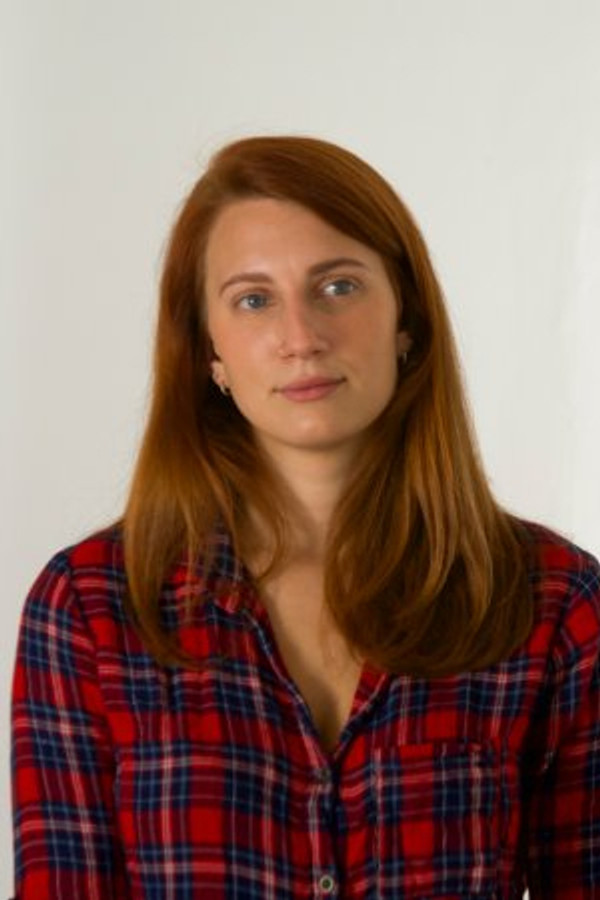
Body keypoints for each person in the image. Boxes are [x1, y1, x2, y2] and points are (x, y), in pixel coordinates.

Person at [11, 135, 600, 899]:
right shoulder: (90, 609)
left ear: (406, 318)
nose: (302, 338)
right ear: (210, 351)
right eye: (254, 300)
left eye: (338, 286)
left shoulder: (552, 602)